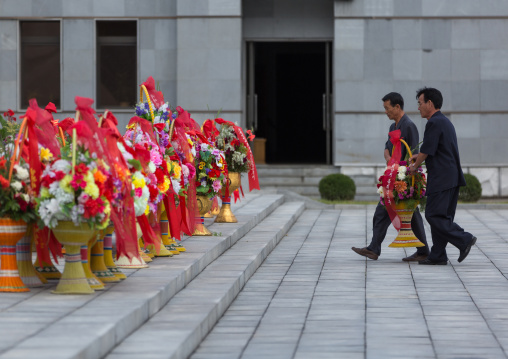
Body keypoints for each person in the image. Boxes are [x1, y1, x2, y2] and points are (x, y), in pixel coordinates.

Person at [352, 92, 429, 261]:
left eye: (387, 108)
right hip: (393, 176)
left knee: (402, 212)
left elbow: (414, 152)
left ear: (397, 107)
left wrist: (407, 176)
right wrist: (388, 159)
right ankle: (420, 252)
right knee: (399, 212)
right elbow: (387, 148)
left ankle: (376, 248)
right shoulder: (392, 127)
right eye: (384, 108)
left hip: (403, 178)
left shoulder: (409, 126)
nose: (386, 111)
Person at [408, 87, 476, 265]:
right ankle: (438, 255)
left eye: (420, 103)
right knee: (442, 216)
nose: (418, 107)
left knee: (433, 215)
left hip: (442, 178)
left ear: (430, 103)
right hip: (451, 178)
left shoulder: (434, 122)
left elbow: (427, 150)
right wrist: (419, 157)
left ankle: (464, 239)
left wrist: (414, 166)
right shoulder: (444, 121)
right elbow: (435, 150)